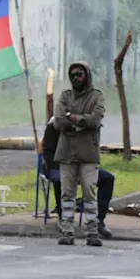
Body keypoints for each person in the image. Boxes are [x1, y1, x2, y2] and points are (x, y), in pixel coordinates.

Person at [52, 61, 107, 246]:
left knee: (90, 193)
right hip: (66, 152)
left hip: (88, 153)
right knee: (67, 195)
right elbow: (58, 122)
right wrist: (80, 121)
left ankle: (92, 231)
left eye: (80, 74)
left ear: (87, 76)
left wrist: (72, 117)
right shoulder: (65, 96)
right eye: (73, 75)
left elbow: (95, 120)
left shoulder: (96, 96)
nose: (76, 78)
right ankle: (67, 230)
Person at [40, 116, 115, 239]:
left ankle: (98, 220)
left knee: (107, 178)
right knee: (60, 179)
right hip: (57, 164)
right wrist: (59, 166)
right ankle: (63, 217)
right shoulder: (56, 123)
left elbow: (93, 149)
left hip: (83, 164)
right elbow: (47, 151)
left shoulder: (89, 123)